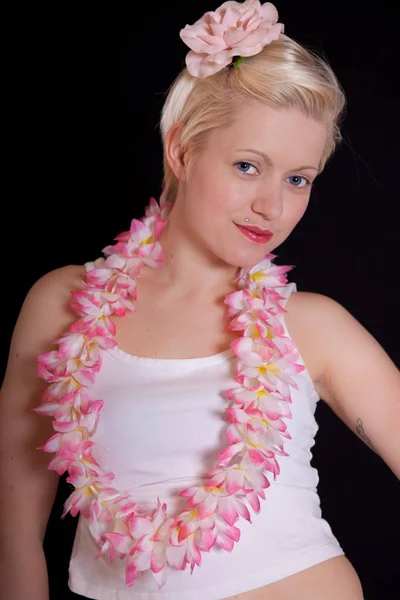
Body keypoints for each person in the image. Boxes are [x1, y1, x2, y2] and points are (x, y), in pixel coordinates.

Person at [1, 1, 399, 599]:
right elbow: (16, 531)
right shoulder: (61, 304)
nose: (273, 205)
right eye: (247, 166)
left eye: (298, 179)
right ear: (182, 152)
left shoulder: (313, 326)